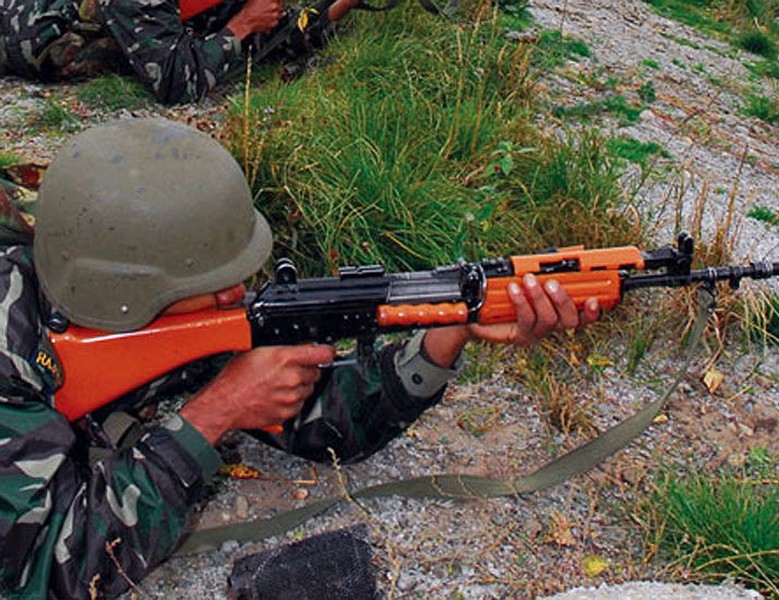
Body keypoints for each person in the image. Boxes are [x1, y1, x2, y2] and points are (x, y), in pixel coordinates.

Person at [0, 117, 600, 599]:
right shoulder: (10, 355)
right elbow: (45, 572)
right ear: (128, 294)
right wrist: (213, 414)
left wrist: (451, 330)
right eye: (215, 286)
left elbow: (325, 425)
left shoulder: (162, 312)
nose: (238, 294)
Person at [0, 0, 352, 104]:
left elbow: (281, 32)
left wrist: (344, 4)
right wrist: (243, 24)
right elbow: (176, 82)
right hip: (19, 36)